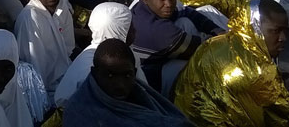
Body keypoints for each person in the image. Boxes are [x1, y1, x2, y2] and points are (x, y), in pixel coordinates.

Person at [174, 0, 289, 126]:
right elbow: (282, 120)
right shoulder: (257, 73)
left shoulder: (217, 41)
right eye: (276, 31)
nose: (283, 38)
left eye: (285, 31)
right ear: (254, 28)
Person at [64, 38, 193, 127]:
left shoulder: (141, 93)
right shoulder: (80, 112)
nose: (119, 85)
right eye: (109, 75)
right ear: (94, 72)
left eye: (127, 75)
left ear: (135, 72)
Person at [131, 0, 223, 94]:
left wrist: (216, 30)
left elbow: (188, 12)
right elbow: (203, 49)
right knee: (196, 64)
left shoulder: (144, 6)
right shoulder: (155, 28)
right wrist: (224, 40)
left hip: (162, 58)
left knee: (186, 20)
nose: (168, 4)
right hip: (153, 84)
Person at [55, 3, 147, 108]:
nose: (135, 30)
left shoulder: (120, 53)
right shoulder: (98, 65)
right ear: (120, 30)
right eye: (130, 27)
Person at [15, 0, 74, 96]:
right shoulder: (30, 18)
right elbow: (36, 70)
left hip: (65, 77)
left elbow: (68, 49)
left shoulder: (62, 9)